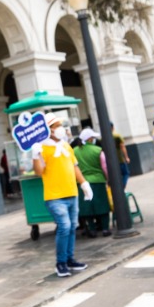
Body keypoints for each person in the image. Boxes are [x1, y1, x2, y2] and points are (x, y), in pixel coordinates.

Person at [31, 117, 93, 276]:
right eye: (56, 125)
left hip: (72, 192)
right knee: (64, 227)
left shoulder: (66, 146)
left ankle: (70, 259)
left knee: (72, 227)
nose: (61, 128)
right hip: (55, 196)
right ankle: (60, 263)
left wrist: (84, 184)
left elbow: (74, 166)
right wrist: (35, 155)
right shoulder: (42, 148)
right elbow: (39, 172)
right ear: (48, 129)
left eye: (60, 125)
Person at [73, 128, 112, 237]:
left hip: (81, 182)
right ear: (90, 139)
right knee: (102, 205)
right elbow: (104, 167)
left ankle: (92, 229)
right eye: (93, 137)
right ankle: (105, 229)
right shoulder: (98, 150)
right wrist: (108, 179)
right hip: (98, 181)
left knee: (87, 208)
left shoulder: (74, 151)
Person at [110, 122, 131, 190]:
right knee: (125, 173)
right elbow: (122, 147)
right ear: (113, 128)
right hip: (120, 159)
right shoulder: (117, 136)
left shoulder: (102, 138)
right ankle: (122, 188)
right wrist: (126, 157)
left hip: (110, 161)